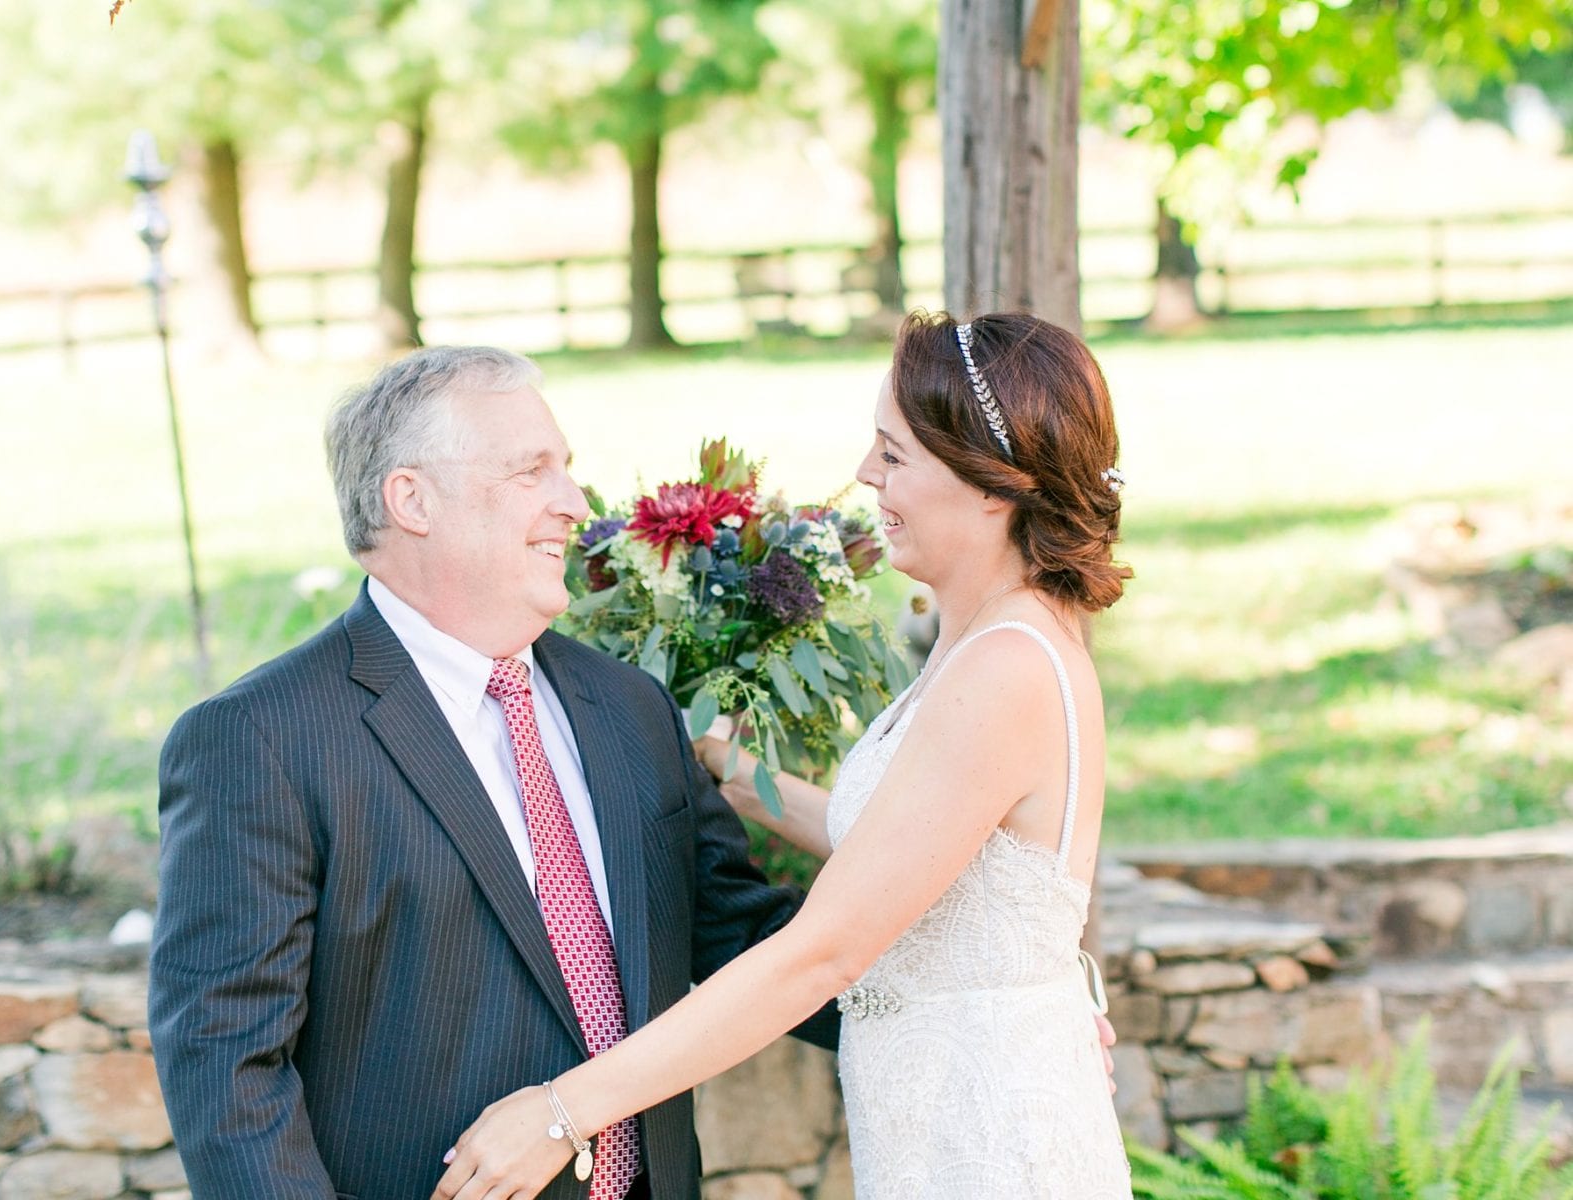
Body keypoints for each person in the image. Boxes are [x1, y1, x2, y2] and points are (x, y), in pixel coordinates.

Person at [435, 310, 1134, 1199]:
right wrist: (728, 773)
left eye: (893, 454)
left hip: (988, 1144)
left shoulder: (1005, 669)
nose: (864, 476)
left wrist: (565, 1110)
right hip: (949, 1119)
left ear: (992, 485)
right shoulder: (994, 642)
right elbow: (908, 842)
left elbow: (822, 953)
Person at [147, 345, 841, 1200]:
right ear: (412, 500)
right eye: (531, 471)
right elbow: (226, 1066)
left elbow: (739, 938)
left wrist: (958, 995)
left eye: (568, 470)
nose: (576, 505)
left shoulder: (629, 707)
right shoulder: (258, 741)